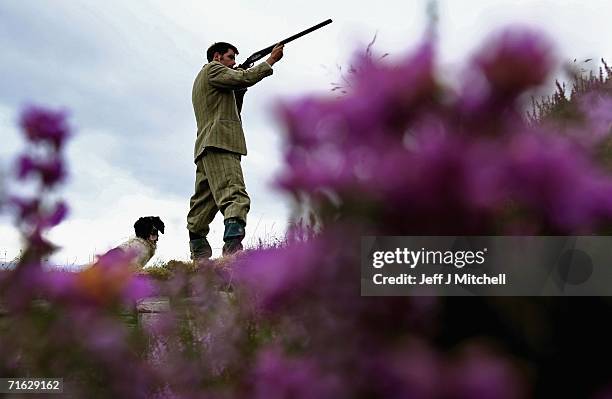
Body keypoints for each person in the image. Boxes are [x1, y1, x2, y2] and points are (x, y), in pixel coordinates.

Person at [187, 41, 285, 260]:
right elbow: (242, 77)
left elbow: (233, 106)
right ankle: (233, 256)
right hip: (220, 143)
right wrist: (270, 60)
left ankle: (199, 258)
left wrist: (240, 88)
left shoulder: (206, 80)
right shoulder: (212, 69)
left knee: (202, 206)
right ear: (216, 57)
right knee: (235, 195)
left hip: (206, 148)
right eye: (230, 57)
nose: (233, 62)